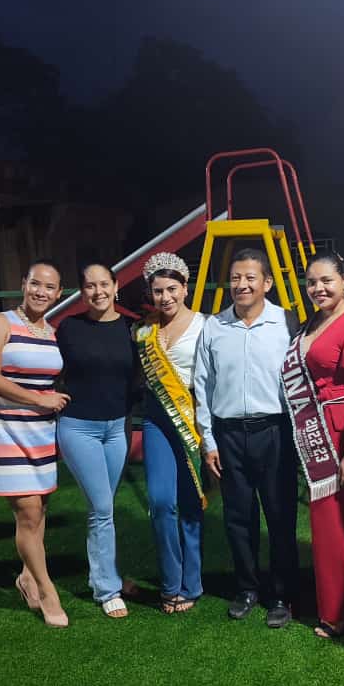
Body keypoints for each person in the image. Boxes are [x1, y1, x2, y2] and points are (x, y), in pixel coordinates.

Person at [194, 248, 300, 629]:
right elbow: (202, 385)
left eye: (250, 277)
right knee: (238, 517)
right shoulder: (214, 326)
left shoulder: (286, 322)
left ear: (267, 282)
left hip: (275, 432)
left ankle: (282, 594)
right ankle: (247, 588)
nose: (242, 284)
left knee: (280, 515)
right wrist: (209, 440)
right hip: (229, 435)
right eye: (236, 278)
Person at [280, 251, 344, 638]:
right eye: (312, 282)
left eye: (327, 281)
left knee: (333, 520)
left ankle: (339, 612)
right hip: (314, 423)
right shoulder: (315, 320)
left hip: (338, 429)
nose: (318, 288)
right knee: (327, 521)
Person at [0, 260, 70, 628]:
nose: (40, 292)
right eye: (35, 283)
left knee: (40, 510)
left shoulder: (53, 333)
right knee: (28, 512)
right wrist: (39, 399)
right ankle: (48, 591)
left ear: (58, 294)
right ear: (23, 284)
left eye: (49, 287)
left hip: (41, 432)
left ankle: (28, 577)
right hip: (6, 429)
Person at [55, 262, 138, 619]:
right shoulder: (68, 328)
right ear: (81, 291)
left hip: (118, 427)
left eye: (104, 284)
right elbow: (45, 367)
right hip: (79, 428)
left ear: (116, 286)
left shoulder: (133, 328)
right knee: (102, 509)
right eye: (90, 286)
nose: (98, 291)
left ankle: (104, 574)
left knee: (104, 508)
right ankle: (107, 589)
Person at [135, 252, 208, 614]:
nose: (165, 297)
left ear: (185, 287)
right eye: (158, 291)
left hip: (192, 418)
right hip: (156, 420)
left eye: (171, 289)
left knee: (191, 503)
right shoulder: (143, 331)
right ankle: (169, 582)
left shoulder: (205, 325)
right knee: (162, 502)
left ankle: (191, 584)